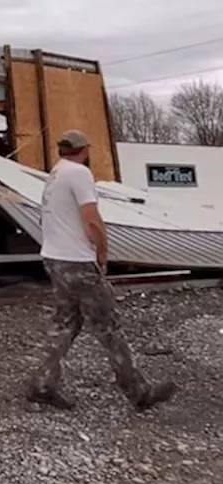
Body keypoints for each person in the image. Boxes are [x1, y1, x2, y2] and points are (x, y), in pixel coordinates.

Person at [26, 130, 176, 411]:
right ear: (84, 150)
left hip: (54, 259)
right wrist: (103, 253)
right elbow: (92, 220)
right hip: (78, 263)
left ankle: (42, 386)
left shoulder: (55, 173)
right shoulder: (79, 174)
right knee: (109, 327)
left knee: (66, 324)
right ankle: (138, 392)